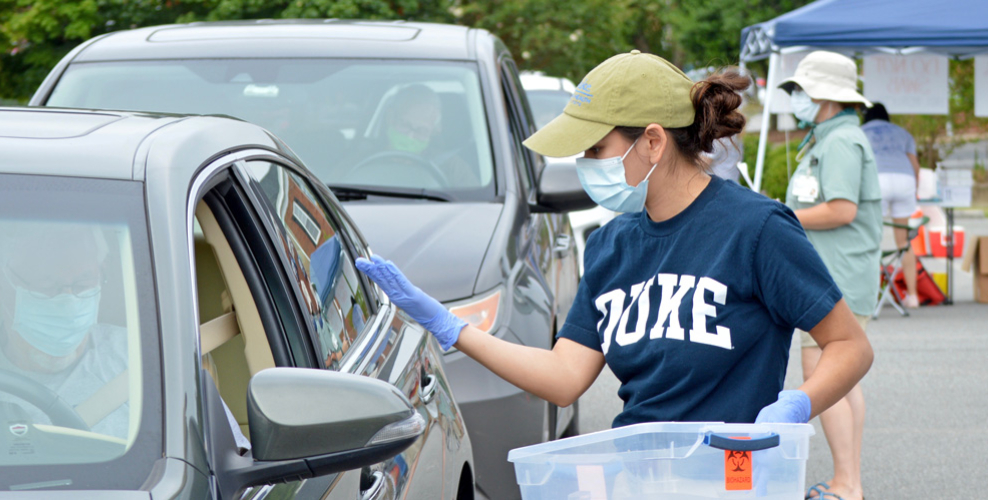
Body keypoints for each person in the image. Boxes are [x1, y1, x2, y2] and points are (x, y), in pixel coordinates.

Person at [355, 51, 872, 435]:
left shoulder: (757, 229)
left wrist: (795, 406)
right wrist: (449, 327)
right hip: (638, 473)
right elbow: (563, 376)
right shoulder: (609, 245)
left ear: (652, 141)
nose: (585, 164)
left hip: (732, 476)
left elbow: (850, 345)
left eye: (596, 148)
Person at [0, 218, 251, 449]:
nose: (68, 301)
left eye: (83, 284)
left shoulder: (153, 364)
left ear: (102, 274)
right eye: (47, 286)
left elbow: (227, 466)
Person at [780, 51, 883, 500]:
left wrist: (782, 217)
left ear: (823, 95)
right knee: (841, 380)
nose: (795, 98)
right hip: (840, 273)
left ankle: (845, 484)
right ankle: (849, 481)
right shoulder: (831, 137)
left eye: (800, 90)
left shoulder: (839, 142)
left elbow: (841, 209)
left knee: (827, 377)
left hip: (836, 276)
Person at [862, 103, 923, 308]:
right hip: (905, 179)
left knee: (870, 238)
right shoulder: (903, 133)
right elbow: (915, 165)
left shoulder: (861, 132)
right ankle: (912, 296)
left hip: (877, 180)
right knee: (903, 241)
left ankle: (870, 296)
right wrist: (915, 189)